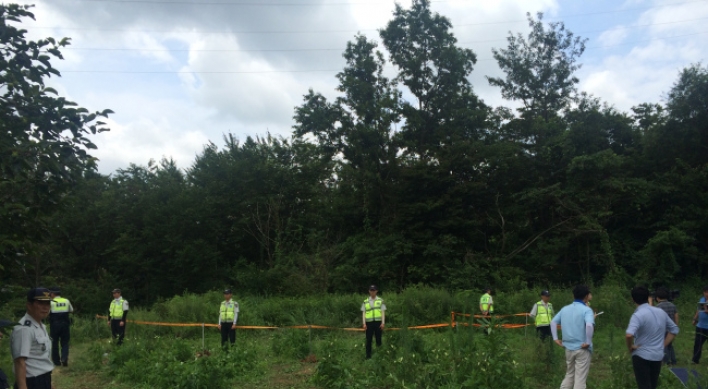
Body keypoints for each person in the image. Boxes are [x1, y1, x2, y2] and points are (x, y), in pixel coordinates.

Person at [625, 286, 679, 389]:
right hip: (657, 355)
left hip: (641, 355)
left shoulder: (638, 315)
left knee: (644, 385)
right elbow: (674, 329)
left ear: (633, 299)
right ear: (649, 297)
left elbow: (629, 335)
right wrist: (663, 344)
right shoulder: (660, 312)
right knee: (652, 385)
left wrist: (630, 347)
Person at [550, 285, 595, 389]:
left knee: (570, 374)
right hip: (582, 348)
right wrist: (588, 342)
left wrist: (555, 338)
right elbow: (589, 325)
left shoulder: (565, 309)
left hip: (568, 347)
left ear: (573, 295)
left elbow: (553, 322)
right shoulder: (587, 310)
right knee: (580, 379)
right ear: (586, 296)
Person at [10, 288, 55, 389]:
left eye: (47, 303)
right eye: (40, 303)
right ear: (29, 305)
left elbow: (40, 359)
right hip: (31, 382)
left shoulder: (40, 326)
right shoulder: (24, 329)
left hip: (43, 379)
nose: (45, 307)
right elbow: (19, 362)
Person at [48, 287, 73, 367]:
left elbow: (47, 312)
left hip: (54, 324)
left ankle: (56, 362)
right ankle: (64, 358)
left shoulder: (51, 302)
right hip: (65, 324)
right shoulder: (66, 301)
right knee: (65, 342)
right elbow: (71, 310)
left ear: (53, 294)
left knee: (54, 343)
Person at [655, 287, 679, 365]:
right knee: (670, 345)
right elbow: (676, 316)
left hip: (662, 329)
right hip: (671, 329)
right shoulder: (672, 305)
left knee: (664, 344)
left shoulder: (658, 307)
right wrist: (675, 326)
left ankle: (666, 360)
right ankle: (673, 360)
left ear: (657, 298)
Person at [361, 285, 386, 359]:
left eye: (374, 290)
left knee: (379, 339)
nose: (372, 292)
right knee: (368, 340)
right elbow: (363, 313)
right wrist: (364, 323)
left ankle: (380, 356)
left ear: (376, 291)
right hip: (369, 324)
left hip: (378, 323)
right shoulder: (365, 301)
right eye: (371, 290)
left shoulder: (381, 301)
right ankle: (368, 356)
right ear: (369, 291)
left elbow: (383, 312)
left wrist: (383, 323)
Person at [691, 285, 708, 364]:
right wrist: (695, 318)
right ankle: (695, 360)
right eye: (705, 292)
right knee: (698, 344)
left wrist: (706, 309)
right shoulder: (702, 299)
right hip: (701, 326)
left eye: (707, 292)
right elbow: (699, 310)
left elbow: (705, 310)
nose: (706, 294)